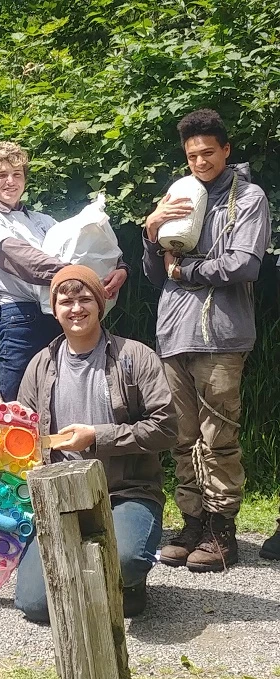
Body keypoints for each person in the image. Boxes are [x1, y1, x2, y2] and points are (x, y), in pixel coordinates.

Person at [143, 109, 271, 571]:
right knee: (181, 437)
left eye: (208, 153)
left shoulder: (249, 198)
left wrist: (188, 270)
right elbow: (157, 274)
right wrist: (151, 230)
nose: (200, 162)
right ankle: (192, 523)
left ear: (226, 150)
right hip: (174, 331)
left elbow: (243, 265)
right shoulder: (180, 194)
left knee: (218, 436)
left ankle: (222, 531)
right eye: (193, 155)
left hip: (222, 334)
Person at [15, 265, 176, 622]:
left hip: (126, 491)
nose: (76, 308)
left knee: (126, 562)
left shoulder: (135, 356)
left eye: (85, 298)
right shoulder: (40, 366)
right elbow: (22, 438)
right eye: (65, 300)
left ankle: (127, 578)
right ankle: (98, 579)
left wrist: (98, 437)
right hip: (61, 497)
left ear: (100, 304)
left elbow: (166, 428)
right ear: (53, 309)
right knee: (34, 605)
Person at [0, 141, 129, 402]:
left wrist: (120, 268)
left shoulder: (43, 221)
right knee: (17, 399)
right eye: (1, 175)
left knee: (61, 393)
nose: (10, 181)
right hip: (20, 318)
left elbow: (88, 246)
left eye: (17, 175)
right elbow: (20, 259)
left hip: (60, 314)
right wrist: (81, 276)